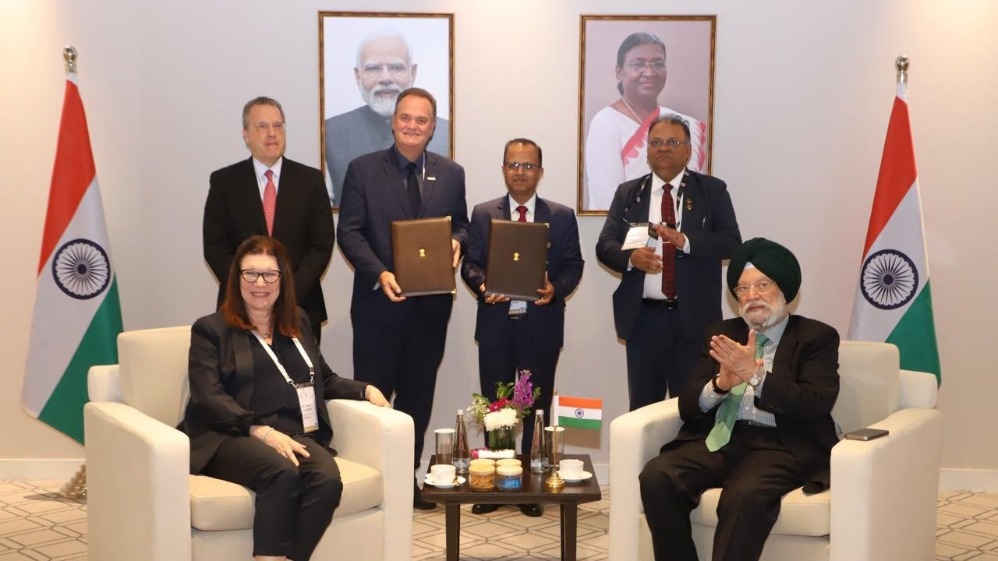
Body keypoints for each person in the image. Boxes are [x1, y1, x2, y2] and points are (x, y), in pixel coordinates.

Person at [183, 236, 390, 561]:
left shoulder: (298, 321)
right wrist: (260, 431)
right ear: (237, 278)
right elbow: (207, 397)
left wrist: (364, 390)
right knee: (281, 472)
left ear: (283, 280)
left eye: (269, 274)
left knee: (327, 478)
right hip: (231, 435)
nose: (259, 283)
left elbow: (323, 378)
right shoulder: (211, 330)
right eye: (250, 274)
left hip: (293, 433)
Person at [638, 237, 841, 561]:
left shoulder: (816, 337)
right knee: (658, 475)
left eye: (762, 284)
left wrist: (755, 375)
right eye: (743, 289)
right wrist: (720, 384)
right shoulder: (721, 332)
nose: (752, 296)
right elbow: (688, 405)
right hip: (719, 438)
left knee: (743, 496)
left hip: (779, 446)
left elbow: (815, 404)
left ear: (784, 290)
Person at [336, 87, 469, 510]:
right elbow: (349, 232)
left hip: (430, 309)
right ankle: (375, 480)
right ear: (393, 122)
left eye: (422, 120)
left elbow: (462, 225)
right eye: (406, 118)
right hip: (379, 306)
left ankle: (406, 479)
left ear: (433, 128)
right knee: (375, 396)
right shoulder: (362, 169)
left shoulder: (451, 173)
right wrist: (380, 272)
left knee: (416, 397)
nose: (413, 126)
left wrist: (457, 242)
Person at [460, 138, 584, 517]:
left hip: (540, 328)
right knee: (497, 407)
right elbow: (470, 264)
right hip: (497, 326)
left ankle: (528, 486)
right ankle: (495, 484)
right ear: (503, 170)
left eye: (528, 166)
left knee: (533, 407)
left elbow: (573, 266)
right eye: (513, 165)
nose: (520, 172)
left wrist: (554, 289)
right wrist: (483, 286)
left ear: (540, 172)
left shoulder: (560, 216)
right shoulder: (483, 213)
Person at [596, 114, 741, 411]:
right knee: (642, 409)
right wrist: (632, 259)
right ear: (647, 151)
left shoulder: (712, 191)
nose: (663, 148)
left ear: (688, 151)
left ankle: (688, 458)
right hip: (643, 319)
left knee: (692, 406)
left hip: (694, 320)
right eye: (656, 143)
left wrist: (684, 241)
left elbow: (731, 243)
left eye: (673, 142)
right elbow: (605, 246)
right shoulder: (628, 194)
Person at [204, 96, 335, 342]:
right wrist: (249, 287)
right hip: (240, 308)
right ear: (246, 134)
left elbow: (322, 245)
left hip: (300, 306)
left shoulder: (311, 180)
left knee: (301, 378)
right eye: (262, 126)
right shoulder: (224, 182)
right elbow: (214, 246)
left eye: (278, 126)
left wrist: (287, 291)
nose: (272, 133)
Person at [324, 30, 451, 206]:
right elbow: (349, 229)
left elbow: (458, 223)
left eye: (396, 67)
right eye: (374, 68)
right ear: (358, 76)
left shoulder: (447, 140)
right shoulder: (330, 134)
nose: (385, 78)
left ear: (412, 72)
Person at [585, 32, 708, 211]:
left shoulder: (683, 123)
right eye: (638, 64)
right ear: (619, 72)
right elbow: (609, 200)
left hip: (684, 232)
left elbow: (697, 196)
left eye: (658, 64)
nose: (650, 72)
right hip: (628, 233)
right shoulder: (606, 122)